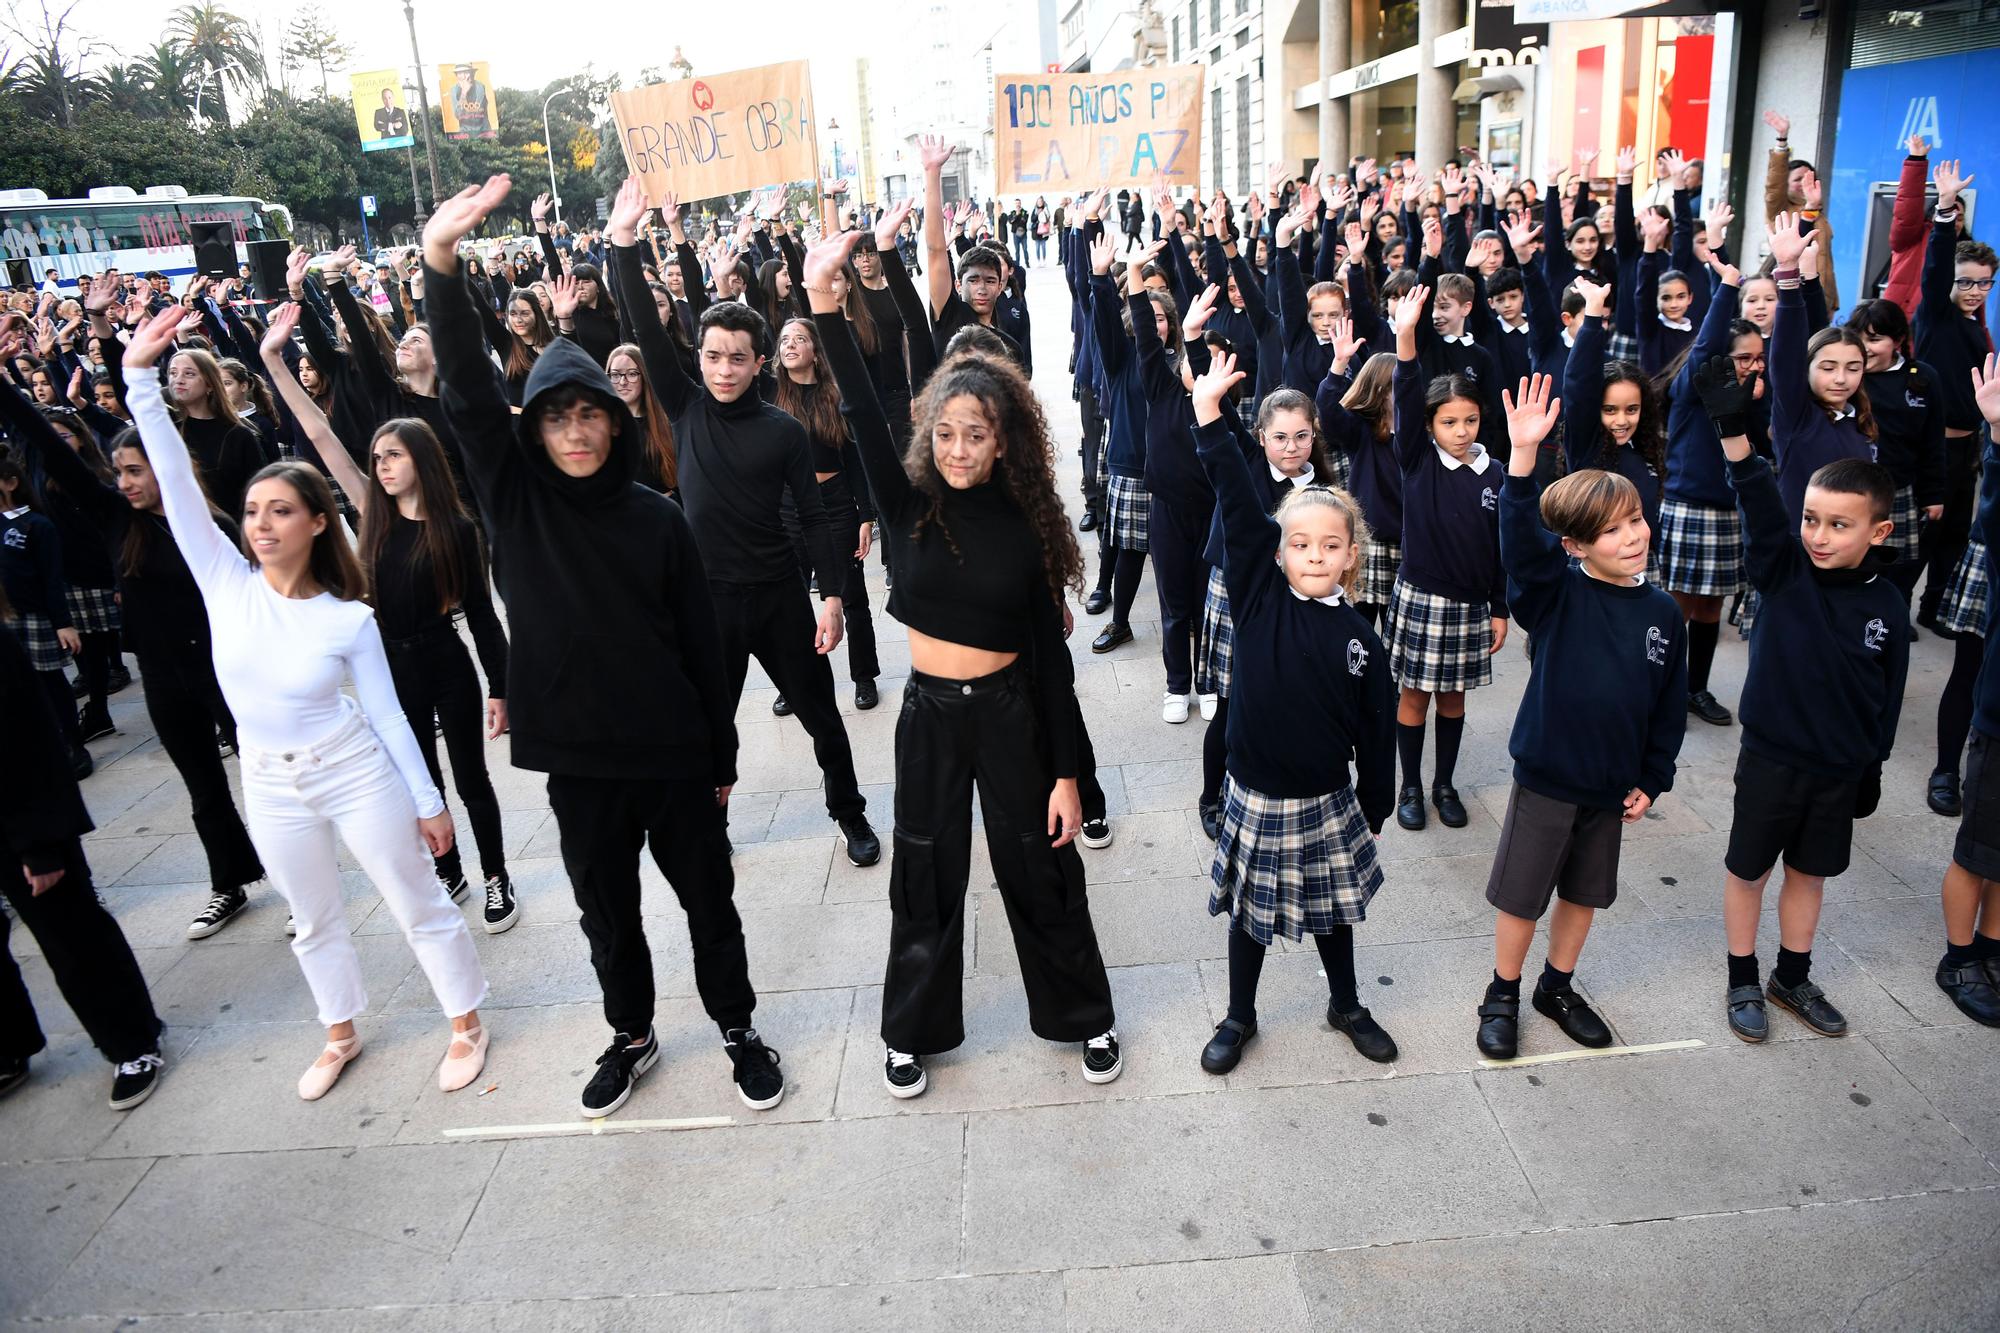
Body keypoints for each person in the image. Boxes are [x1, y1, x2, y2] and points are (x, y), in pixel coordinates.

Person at [424, 174, 787, 1119]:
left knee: (711, 904)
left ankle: (738, 1027)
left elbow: (705, 652)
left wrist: (722, 755)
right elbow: (464, 394)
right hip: (580, 764)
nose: (578, 429)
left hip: (672, 753)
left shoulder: (659, 519)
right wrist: (440, 263)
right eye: (558, 417)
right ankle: (631, 1034)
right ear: (535, 431)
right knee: (607, 915)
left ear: (616, 424)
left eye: (592, 414)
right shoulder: (515, 502)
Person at [125, 308, 490, 1102]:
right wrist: (139, 383)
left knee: (414, 899)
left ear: (319, 522)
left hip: (353, 769)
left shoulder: (347, 618)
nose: (260, 524)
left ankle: (465, 1021)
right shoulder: (226, 586)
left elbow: (391, 716)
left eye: (279, 510)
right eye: (253, 512)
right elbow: (180, 493)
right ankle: (340, 1031)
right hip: (270, 780)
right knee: (313, 918)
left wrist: (430, 803)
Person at [805, 228, 1121, 1098]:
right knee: (925, 871)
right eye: (945, 433)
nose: (956, 449)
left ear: (1002, 440)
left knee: (1041, 867)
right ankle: (912, 1030)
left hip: (1015, 712)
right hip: (930, 718)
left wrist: (1067, 776)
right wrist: (823, 300)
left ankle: (1084, 1014)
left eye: (974, 435)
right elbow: (866, 408)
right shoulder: (906, 504)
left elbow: (1053, 668)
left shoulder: (1025, 533)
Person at [600, 179, 881, 868]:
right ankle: (711, 828)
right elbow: (640, 322)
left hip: (781, 596)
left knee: (823, 719)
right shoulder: (685, 406)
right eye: (713, 355)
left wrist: (835, 596)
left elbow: (816, 520)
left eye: (738, 357)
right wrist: (624, 241)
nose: (724, 368)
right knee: (708, 730)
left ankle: (851, 814)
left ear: (760, 363)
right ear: (698, 358)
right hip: (708, 605)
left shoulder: (783, 431)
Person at [259, 307, 517, 931]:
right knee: (417, 777)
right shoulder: (371, 508)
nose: (381, 465)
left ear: (421, 460)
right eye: (377, 457)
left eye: (393, 455)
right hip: (388, 665)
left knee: (471, 779)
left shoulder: (456, 528)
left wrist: (502, 688)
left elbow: (482, 615)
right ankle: (447, 866)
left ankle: (497, 876)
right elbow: (320, 434)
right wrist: (271, 358)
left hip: (444, 660)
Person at [0, 349, 266, 939]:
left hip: (225, 671)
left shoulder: (210, 526)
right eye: (118, 472)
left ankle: (301, 881)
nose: (125, 483)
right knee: (203, 787)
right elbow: (47, 444)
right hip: (165, 678)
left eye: (136, 470)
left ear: (166, 469)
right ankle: (230, 883)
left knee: (270, 779)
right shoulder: (116, 518)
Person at [1185, 349, 1397, 1074]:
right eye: (1299, 543)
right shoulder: (1257, 597)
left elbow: (1376, 728)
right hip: (1255, 794)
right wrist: (1210, 417)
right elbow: (1240, 505)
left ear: (1349, 558)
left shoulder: (1362, 639)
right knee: (1249, 915)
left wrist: (1378, 799)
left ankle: (1346, 1002)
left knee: (1333, 910)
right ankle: (1239, 1013)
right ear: (1277, 555)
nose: (1312, 554)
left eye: (1329, 546)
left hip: (1328, 798)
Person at [1689, 353, 1909, 1041]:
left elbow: (1890, 692)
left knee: (1810, 875)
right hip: (1772, 760)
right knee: (1749, 870)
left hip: (1839, 769)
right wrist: (1732, 425)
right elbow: (1755, 490)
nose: (1818, 534)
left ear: (1879, 532)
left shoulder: (1889, 604)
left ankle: (1792, 973)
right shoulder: (1784, 569)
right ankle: (1742, 977)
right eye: (1811, 518)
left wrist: (1873, 763)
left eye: (1838, 525)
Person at [1475, 375, 1687, 1061]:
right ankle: (1503, 990)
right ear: (1576, 545)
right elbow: (1521, 548)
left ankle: (1556, 986)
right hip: (1549, 774)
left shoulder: (1662, 613)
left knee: (1586, 892)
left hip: (1611, 780)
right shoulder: (1555, 595)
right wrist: (1524, 461)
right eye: (1612, 529)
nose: (1632, 536)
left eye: (1635, 521)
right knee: (1523, 893)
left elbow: (1668, 704)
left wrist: (1653, 776)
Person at [0, 587, 167, 1109]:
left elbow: (29, 741)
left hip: (20, 821)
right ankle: (10, 1045)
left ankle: (133, 1041)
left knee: (71, 934)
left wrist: (42, 843)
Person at [1385, 285, 1509, 833]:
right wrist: (1406, 337)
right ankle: (1410, 785)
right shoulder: (1417, 460)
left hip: (1470, 605)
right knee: (1414, 698)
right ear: (1430, 426)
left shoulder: (1495, 473)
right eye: (1449, 423)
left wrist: (1500, 607)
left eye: (1471, 422)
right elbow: (1408, 395)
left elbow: (1501, 548)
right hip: (1421, 597)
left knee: (1454, 701)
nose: (1461, 432)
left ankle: (1444, 783)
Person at [1654, 261, 1758, 728]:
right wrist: (1728, 286)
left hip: (1727, 512)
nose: (1752, 366)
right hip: (1687, 508)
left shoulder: (1753, 397)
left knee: (1712, 607)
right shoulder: (1693, 386)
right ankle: (1658, 690)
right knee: (1676, 606)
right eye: (1742, 357)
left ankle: (1696, 688)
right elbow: (1710, 342)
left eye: (1758, 357)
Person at [770, 314, 880, 710]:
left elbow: (855, 458)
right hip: (787, 506)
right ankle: (792, 683)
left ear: (815, 350)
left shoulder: (836, 395)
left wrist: (865, 515)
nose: (790, 345)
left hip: (834, 502)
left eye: (799, 338)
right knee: (789, 600)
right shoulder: (770, 396)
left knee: (851, 596)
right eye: (784, 341)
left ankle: (864, 676)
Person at [1936, 354, 2000, 1027]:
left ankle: (1991, 946)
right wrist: (1999, 442)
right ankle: (1959, 956)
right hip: (1998, 721)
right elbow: (1992, 522)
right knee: (1978, 849)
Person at [1913, 160, 1990, 635]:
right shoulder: (1936, 316)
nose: (1975, 291)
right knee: (1921, 536)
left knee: (1955, 535)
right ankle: (1893, 610)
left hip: (1967, 449)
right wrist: (1943, 209)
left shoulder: (1975, 327)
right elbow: (1937, 268)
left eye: (1985, 283)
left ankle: (1934, 608)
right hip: (1934, 448)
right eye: (1967, 282)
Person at [0, 449, 89, 778]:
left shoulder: (35, 524)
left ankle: (72, 743)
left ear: (10, 483)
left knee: (50, 682)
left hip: (34, 616)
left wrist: (63, 623)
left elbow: (52, 577)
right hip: (4, 620)